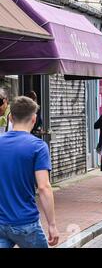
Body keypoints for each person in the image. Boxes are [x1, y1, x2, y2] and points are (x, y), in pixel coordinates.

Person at [0, 96, 59, 248]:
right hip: (25, 222)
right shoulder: (38, 147)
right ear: (34, 119)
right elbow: (44, 187)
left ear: (11, 117)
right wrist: (52, 224)